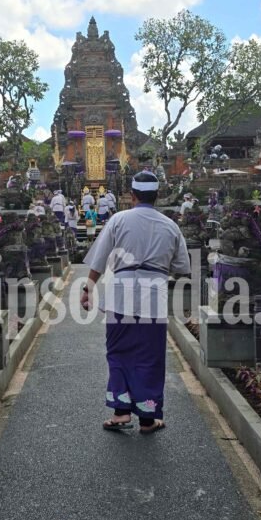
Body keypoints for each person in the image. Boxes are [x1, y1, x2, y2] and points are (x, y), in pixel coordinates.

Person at [82, 170, 190, 435]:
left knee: (118, 353)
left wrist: (88, 288)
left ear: (132, 195)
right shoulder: (170, 226)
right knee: (150, 359)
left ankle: (120, 412)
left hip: (120, 296)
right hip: (153, 300)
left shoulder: (119, 220)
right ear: (157, 195)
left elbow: (99, 258)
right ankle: (147, 418)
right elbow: (183, 267)